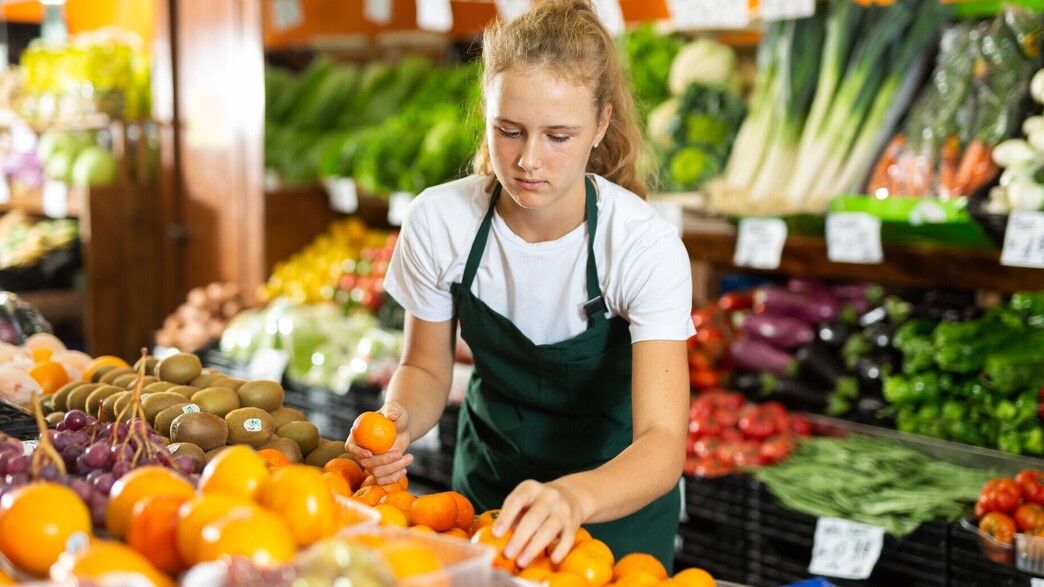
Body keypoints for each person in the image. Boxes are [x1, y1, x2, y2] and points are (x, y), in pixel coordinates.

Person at [345, 0, 694, 571]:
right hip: (489, 497)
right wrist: (399, 419)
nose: (529, 160)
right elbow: (428, 371)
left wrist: (573, 497)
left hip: (613, 513)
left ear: (602, 124)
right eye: (509, 131)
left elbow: (662, 441)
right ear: (486, 113)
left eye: (559, 136)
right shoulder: (439, 222)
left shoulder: (641, 247)